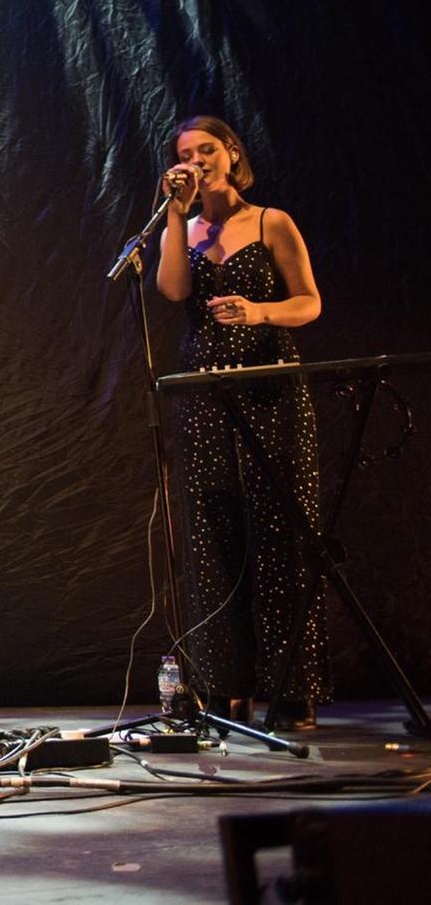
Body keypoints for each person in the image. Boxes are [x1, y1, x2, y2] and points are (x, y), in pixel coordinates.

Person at [153, 114, 326, 727]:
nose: (197, 161)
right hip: (206, 390)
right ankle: (224, 687)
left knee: (280, 535)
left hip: (269, 383)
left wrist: (258, 312)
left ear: (230, 154)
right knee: (212, 537)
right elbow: (173, 291)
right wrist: (175, 215)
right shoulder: (187, 227)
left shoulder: (270, 221)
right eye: (185, 154)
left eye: (207, 150)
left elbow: (309, 301)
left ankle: (291, 689)